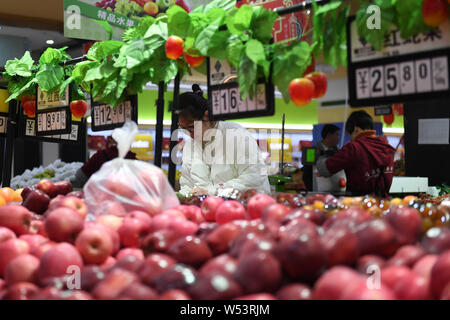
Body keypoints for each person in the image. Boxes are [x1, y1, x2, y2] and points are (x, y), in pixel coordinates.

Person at [177, 85, 270, 196]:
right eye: (183, 129)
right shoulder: (190, 146)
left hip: (245, 208)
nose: (189, 135)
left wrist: (213, 192)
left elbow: (253, 177)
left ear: (206, 116)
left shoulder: (237, 135)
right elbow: (187, 184)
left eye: (192, 127)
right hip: (208, 210)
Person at [316, 110, 395, 196]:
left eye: (349, 134)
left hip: (359, 203)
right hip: (383, 202)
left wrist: (323, 157)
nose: (351, 139)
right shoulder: (386, 146)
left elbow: (324, 170)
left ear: (355, 129)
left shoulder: (353, 148)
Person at [72, 136, 137, 188]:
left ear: (112, 140)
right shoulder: (135, 161)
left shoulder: (100, 156)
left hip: (100, 197)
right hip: (127, 198)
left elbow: (80, 177)